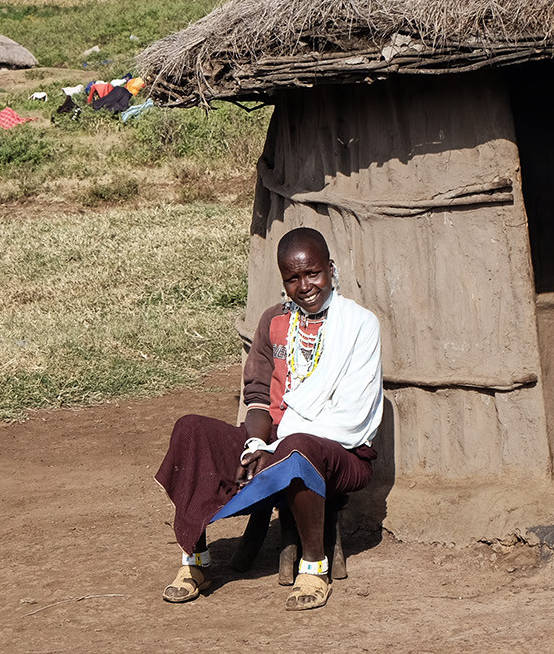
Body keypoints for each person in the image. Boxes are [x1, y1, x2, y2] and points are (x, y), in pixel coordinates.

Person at [155, 227, 383, 611]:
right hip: (270, 447)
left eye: (312, 273)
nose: (305, 286)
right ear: (283, 282)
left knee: (298, 448)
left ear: (330, 268)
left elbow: (353, 419)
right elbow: (258, 398)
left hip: (340, 454)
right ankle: (194, 561)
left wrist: (275, 449)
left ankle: (314, 570)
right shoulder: (274, 322)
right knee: (191, 429)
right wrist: (255, 445)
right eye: (292, 279)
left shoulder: (360, 325)